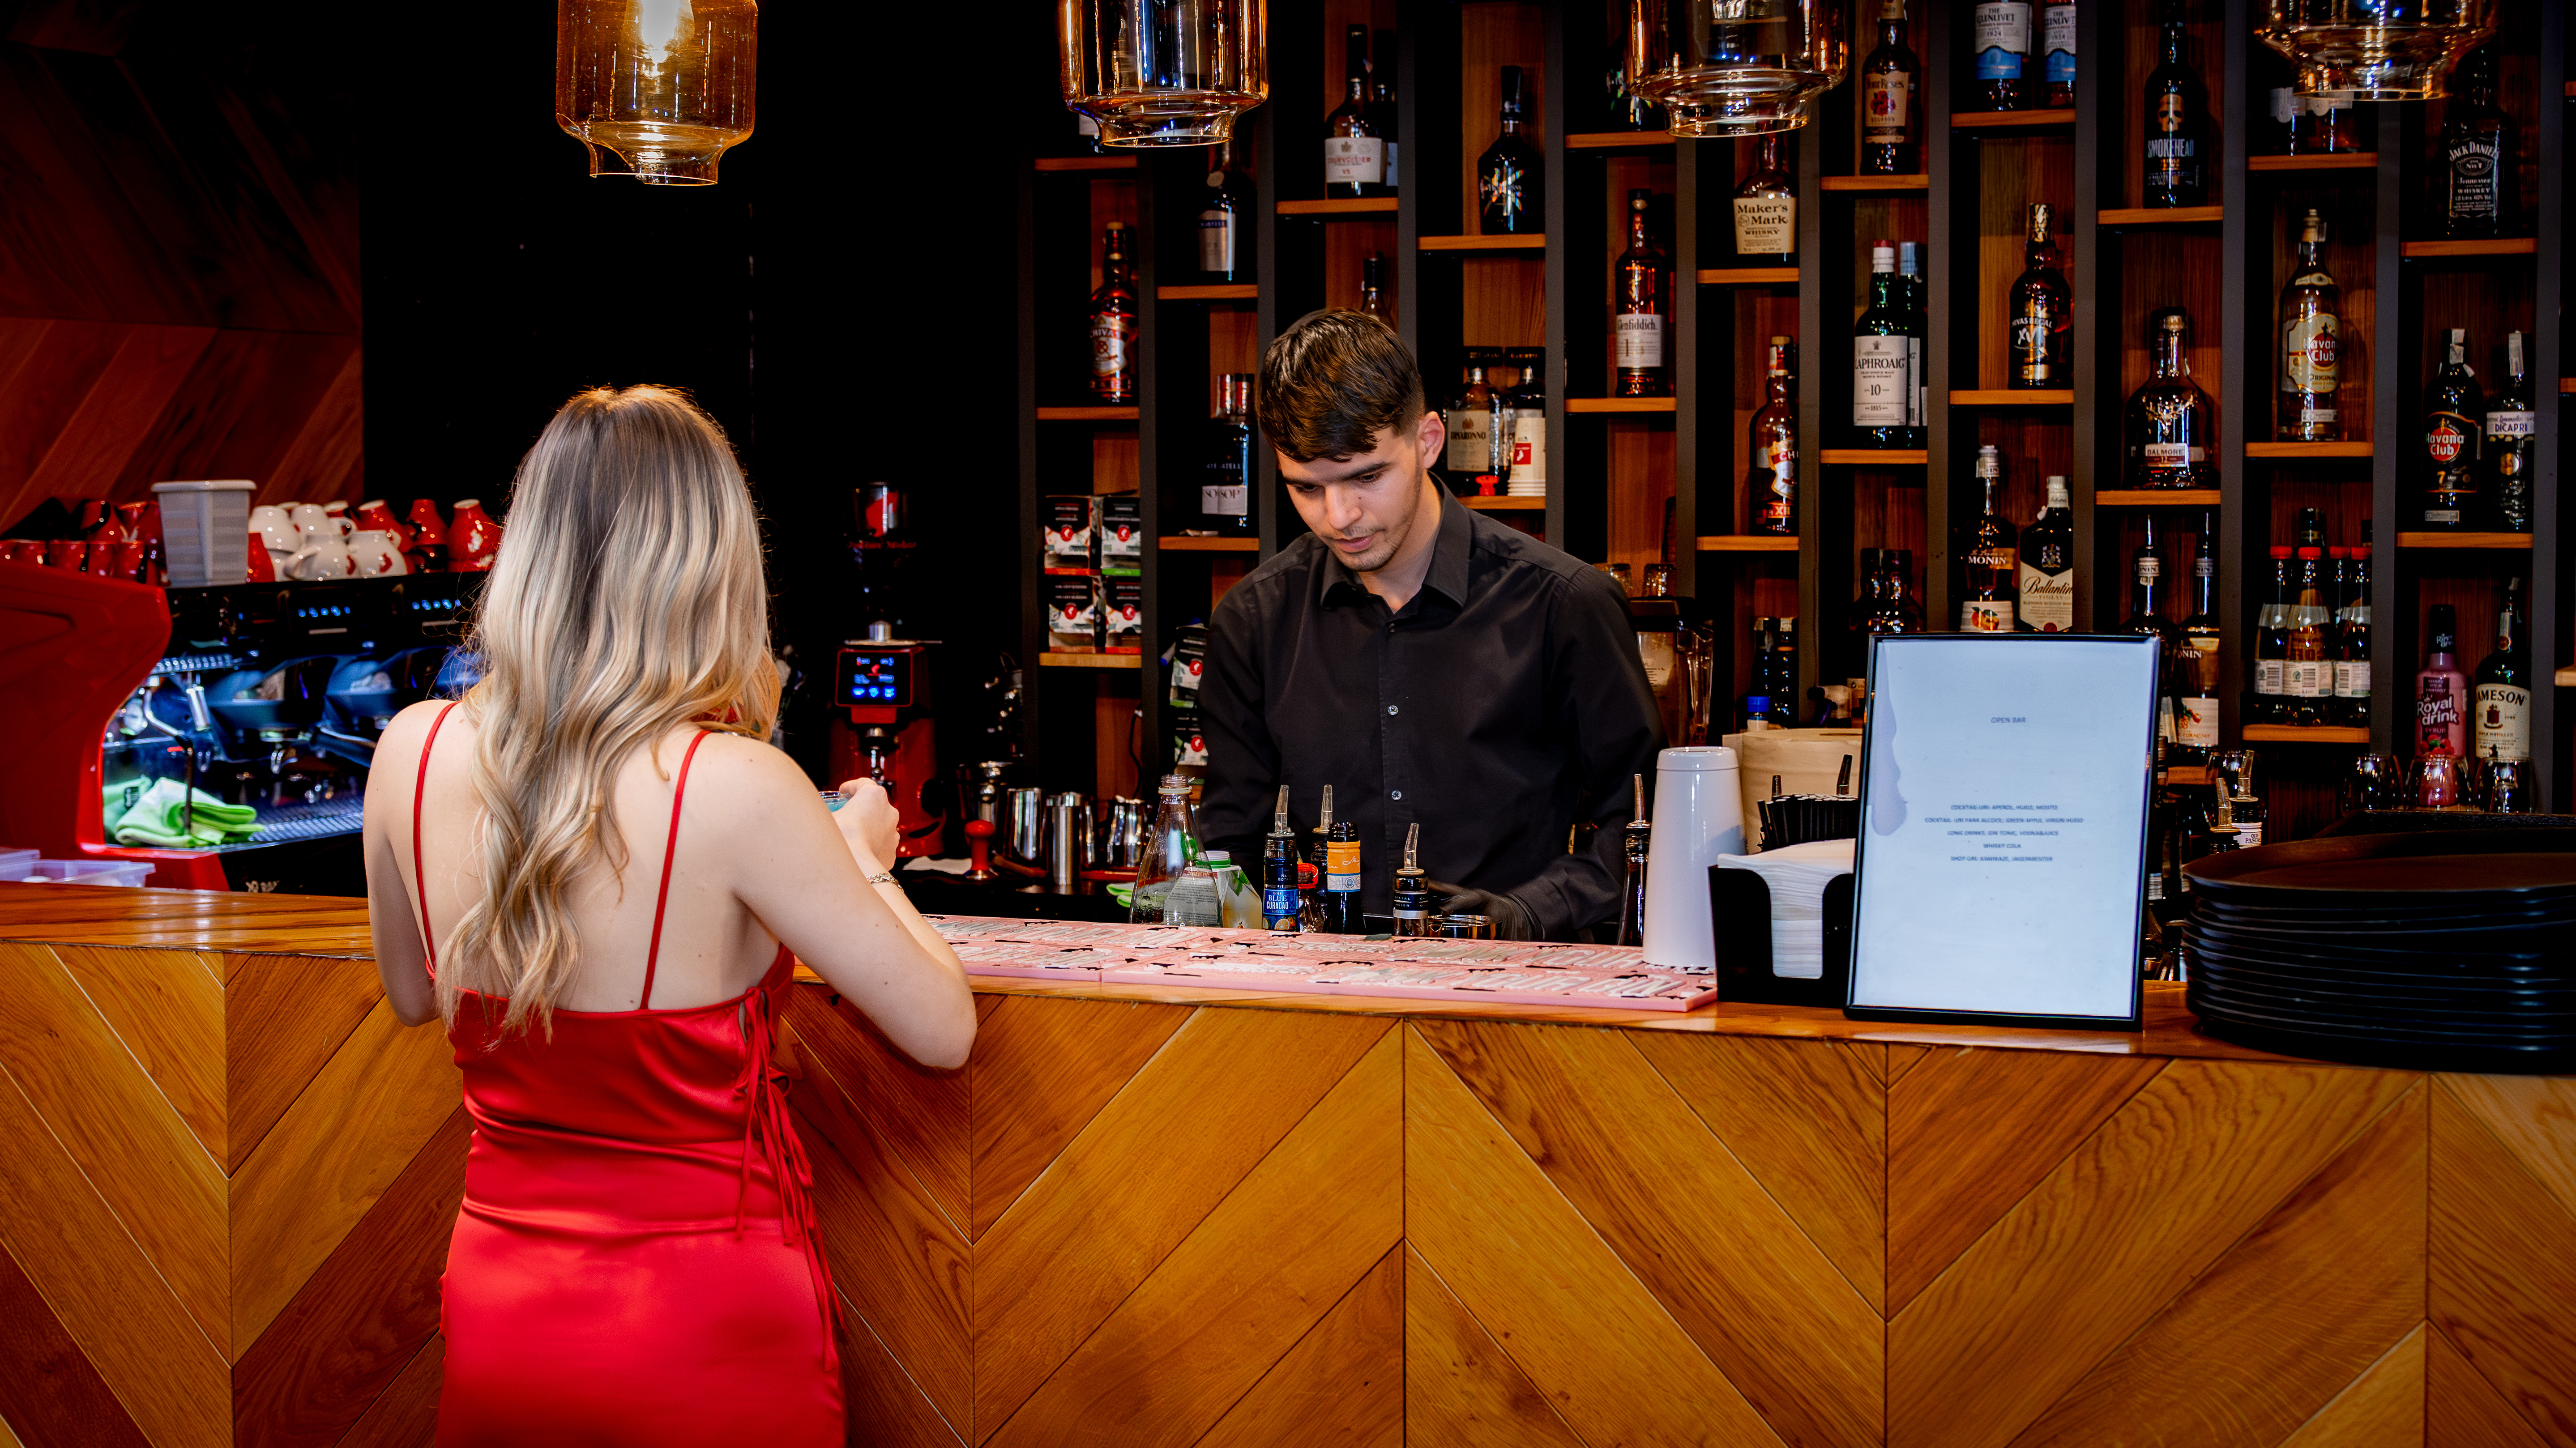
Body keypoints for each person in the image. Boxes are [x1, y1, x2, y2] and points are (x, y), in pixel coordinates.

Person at [361, 386, 977, 1447]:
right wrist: (860, 858)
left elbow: (414, 995)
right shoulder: (738, 785)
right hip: (708, 1330)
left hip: (507, 1315)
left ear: (531, 550)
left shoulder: (409, 752)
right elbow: (943, 1029)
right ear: (711, 567)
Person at [1198, 311, 1663, 939]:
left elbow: (1645, 825)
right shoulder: (1253, 621)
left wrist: (1527, 912)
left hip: (1515, 980)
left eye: (1367, 477)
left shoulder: (1563, 604)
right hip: (1314, 984)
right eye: (1307, 489)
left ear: (1428, 440)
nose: (1340, 516)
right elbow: (1230, 845)